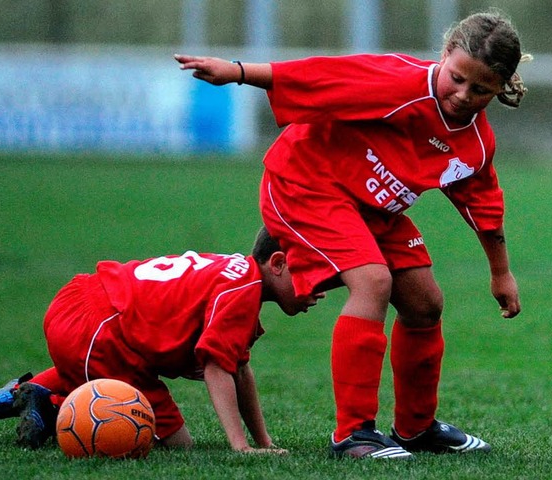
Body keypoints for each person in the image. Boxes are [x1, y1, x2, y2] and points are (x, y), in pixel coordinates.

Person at [175, 10, 529, 460]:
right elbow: (324, 76)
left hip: (372, 208)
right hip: (306, 184)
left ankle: (416, 429)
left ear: (500, 88)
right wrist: (239, 72)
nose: (462, 95)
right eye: (457, 78)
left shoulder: (477, 140)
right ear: (444, 56)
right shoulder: (401, 83)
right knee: (373, 281)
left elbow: (483, 204)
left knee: (425, 304)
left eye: (480, 90)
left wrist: (501, 274)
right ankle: (353, 434)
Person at [0, 226, 323, 454]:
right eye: (316, 275)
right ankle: (52, 405)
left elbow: (239, 370)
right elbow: (219, 368)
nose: (322, 290)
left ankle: (18, 393)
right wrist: (241, 446)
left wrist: (263, 441)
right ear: (278, 263)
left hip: (83, 305)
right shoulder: (243, 291)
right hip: (102, 332)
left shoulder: (237, 275)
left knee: (102, 371)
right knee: (176, 444)